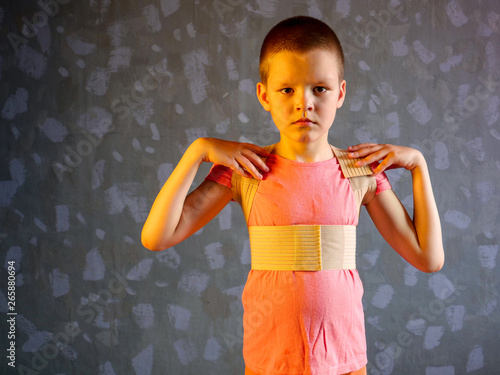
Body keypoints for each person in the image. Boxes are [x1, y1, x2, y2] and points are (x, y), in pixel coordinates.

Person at [142, 16, 444, 375]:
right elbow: (156, 236)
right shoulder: (246, 169)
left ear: (341, 93)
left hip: (345, 364)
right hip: (270, 363)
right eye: (287, 90)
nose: (304, 103)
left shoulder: (359, 172)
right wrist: (198, 151)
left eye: (320, 88)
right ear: (264, 95)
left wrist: (419, 166)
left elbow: (429, 258)